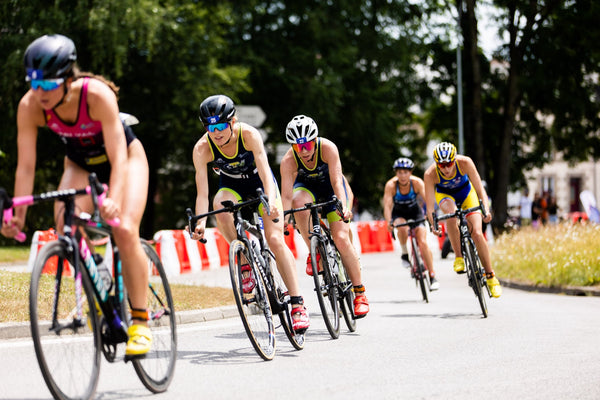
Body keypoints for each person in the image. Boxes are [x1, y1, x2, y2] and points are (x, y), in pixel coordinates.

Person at [0, 34, 152, 355]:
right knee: (63, 222)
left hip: (125, 157)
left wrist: (113, 198)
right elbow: (26, 168)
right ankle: (97, 274)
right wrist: (18, 216)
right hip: (80, 163)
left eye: (47, 84)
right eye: (33, 83)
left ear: (68, 78)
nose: (38, 92)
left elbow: (119, 158)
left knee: (124, 228)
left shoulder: (96, 95)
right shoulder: (30, 106)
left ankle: (141, 320)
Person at [191, 96, 310, 332]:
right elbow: (202, 193)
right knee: (220, 205)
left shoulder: (249, 135)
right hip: (232, 187)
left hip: (260, 185)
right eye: (210, 128)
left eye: (220, 126)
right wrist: (200, 222)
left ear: (232, 122)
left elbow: (266, 171)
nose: (216, 133)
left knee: (275, 239)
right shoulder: (202, 148)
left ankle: (297, 304)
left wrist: (272, 203)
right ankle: (245, 261)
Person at [280, 115, 369, 318]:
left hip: (331, 189)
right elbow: (286, 195)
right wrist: (284, 219)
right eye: (297, 146)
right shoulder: (288, 161)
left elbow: (338, 182)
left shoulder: (328, 148)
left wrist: (345, 207)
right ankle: (315, 249)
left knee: (341, 239)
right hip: (307, 189)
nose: (303, 150)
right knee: (297, 204)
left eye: (308, 144)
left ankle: (360, 293)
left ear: (315, 140)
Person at [423, 142, 502, 298]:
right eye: (441, 165)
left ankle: (491, 277)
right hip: (445, 196)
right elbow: (430, 206)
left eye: (449, 164)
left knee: (477, 233)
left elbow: (480, 190)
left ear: (455, 159)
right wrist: (433, 224)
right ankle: (459, 256)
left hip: (466, 193)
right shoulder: (430, 174)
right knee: (451, 214)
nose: (445, 168)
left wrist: (485, 209)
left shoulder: (465, 162)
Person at [383, 157, 439, 290]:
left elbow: (429, 202)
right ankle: (404, 253)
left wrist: (432, 219)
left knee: (423, 242)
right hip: (399, 213)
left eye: (406, 172)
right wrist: (389, 222)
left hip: (415, 212)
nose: (403, 175)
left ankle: (432, 275)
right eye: (400, 172)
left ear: (410, 172)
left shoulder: (417, 183)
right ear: (396, 173)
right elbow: (387, 205)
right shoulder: (391, 185)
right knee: (401, 228)